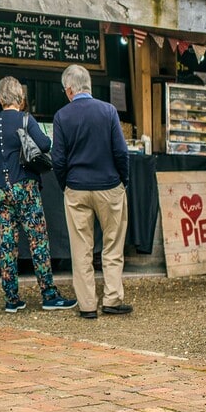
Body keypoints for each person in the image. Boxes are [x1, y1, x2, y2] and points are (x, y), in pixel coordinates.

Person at [0, 77, 77, 313]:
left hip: (0, 192)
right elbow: (44, 144)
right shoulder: (25, 119)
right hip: (25, 187)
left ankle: (11, 299)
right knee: (38, 241)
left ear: (0, 99)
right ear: (21, 99)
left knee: (7, 245)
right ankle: (49, 295)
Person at [52, 64, 133, 320]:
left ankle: (87, 305)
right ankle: (112, 299)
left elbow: (58, 159)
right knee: (112, 245)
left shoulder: (62, 116)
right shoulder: (107, 111)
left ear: (69, 90)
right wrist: (124, 180)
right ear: (88, 85)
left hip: (76, 188)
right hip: (109, 186)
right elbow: (121, 151)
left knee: (81, 249)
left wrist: (65, 183)